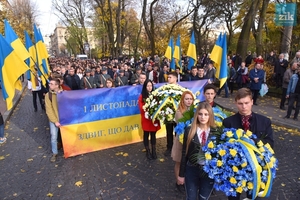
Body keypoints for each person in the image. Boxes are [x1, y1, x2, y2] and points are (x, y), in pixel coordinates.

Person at [223, 88, 274, 200]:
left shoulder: (264, 121)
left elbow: (270, 143)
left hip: (256, 170)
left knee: (253, 197)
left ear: (252, 102)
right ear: (236, 103)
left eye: (246, 103)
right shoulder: (228, 122)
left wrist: (255, 142)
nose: (244, 107)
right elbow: (223, 146)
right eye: (240, 103)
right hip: (234, 170)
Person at [177, 102, 217, 199]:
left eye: (206, 114)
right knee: (191, 197)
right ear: (197, 115)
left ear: (210, 116)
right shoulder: (189, 130)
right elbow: (184, 153)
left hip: (208, 171)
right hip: (192, 169)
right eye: (200, 114)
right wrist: (181, 174)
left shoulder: (216, 132)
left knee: (204, 197)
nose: (203, 117)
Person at [171, 91, 195, 193]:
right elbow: (183, 124)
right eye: (186, 99)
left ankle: (185, 180)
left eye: (190, 99)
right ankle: (178, 182)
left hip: (190, 140)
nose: (189, 101)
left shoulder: (194, 110)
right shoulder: (179, 112)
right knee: (179, 162)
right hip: (180, 140)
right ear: (183, 100)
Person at [138, 80, 160, 160]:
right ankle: (148, 151)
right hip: (146, 118)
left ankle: (154, 151)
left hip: (153, 118)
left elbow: (158, 104)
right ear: (145, 87)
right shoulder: (142, 96)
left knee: (153, 134)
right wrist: (148, 111)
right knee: (146, 134)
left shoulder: (155, 95)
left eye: (150, 85)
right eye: (148, 86)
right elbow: (141, 107)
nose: (149, 87)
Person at [45, 78, 63, 162]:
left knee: (66, 136)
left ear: (57, 85)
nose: (49, 85)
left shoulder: (64, 93)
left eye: (51, 84)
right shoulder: (48, 95)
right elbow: (49, 110)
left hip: (64, 119)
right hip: (54, 120)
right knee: (54, 137)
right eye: (49, 84)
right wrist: (55, 121)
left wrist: (62, 95)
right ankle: (54, 153)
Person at [164, 72, 179, 156]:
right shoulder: (165, 88)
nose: (168, 79)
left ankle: (177, 148)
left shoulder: (180, 89)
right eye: (168, 77)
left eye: (170, 77)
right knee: (169, 131)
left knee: (178, 132)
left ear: (175, 78)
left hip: (177, 114)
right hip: (168, 114)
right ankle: (169, 147)